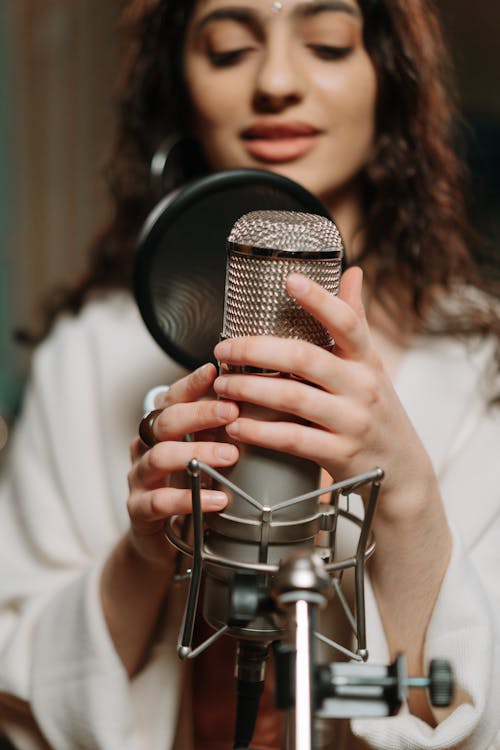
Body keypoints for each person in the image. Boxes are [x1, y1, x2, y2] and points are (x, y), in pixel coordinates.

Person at [0, 0, 499, 748]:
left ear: (387, 81)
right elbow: (18, 687)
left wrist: (407, 496)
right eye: (230, 49)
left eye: (327, 44)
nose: (275, 80)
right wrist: (141, 555)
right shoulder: (89, 353)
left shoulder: (478, 365)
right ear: (181, 85)